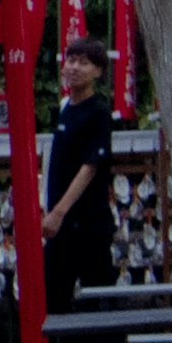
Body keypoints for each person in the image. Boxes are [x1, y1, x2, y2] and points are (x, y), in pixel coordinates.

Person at [40, 41, 121, 323]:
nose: (74, 67)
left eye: (83, 62)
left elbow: (90, 167)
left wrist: (58, 212)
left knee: (98, 300)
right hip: (60, 228)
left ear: (98, 71)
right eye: (71, 60)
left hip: (88, 224)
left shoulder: (98, 112)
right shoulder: (64, 109)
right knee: (53, 299)